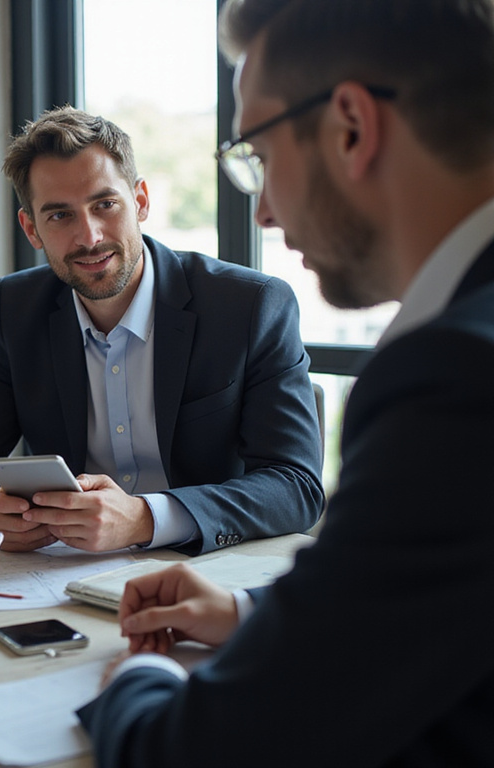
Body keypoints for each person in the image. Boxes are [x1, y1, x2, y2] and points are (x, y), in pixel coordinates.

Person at [77, 0, 494, 765]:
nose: (262, 210)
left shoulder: (454, 380)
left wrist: (133, 680)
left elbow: (208, 749)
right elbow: (442, 594)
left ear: (351, 129)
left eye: (260, 155)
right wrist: (250, 610)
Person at [0, 106, 324, 553]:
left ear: (141, 201)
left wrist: (146, 518)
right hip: (63, 575)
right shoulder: (19, 308)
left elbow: (296, 484)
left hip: (204, 570)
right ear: (31, 229)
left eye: (105, 205)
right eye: (59, 216)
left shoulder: (249, 306)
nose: (89, 237)